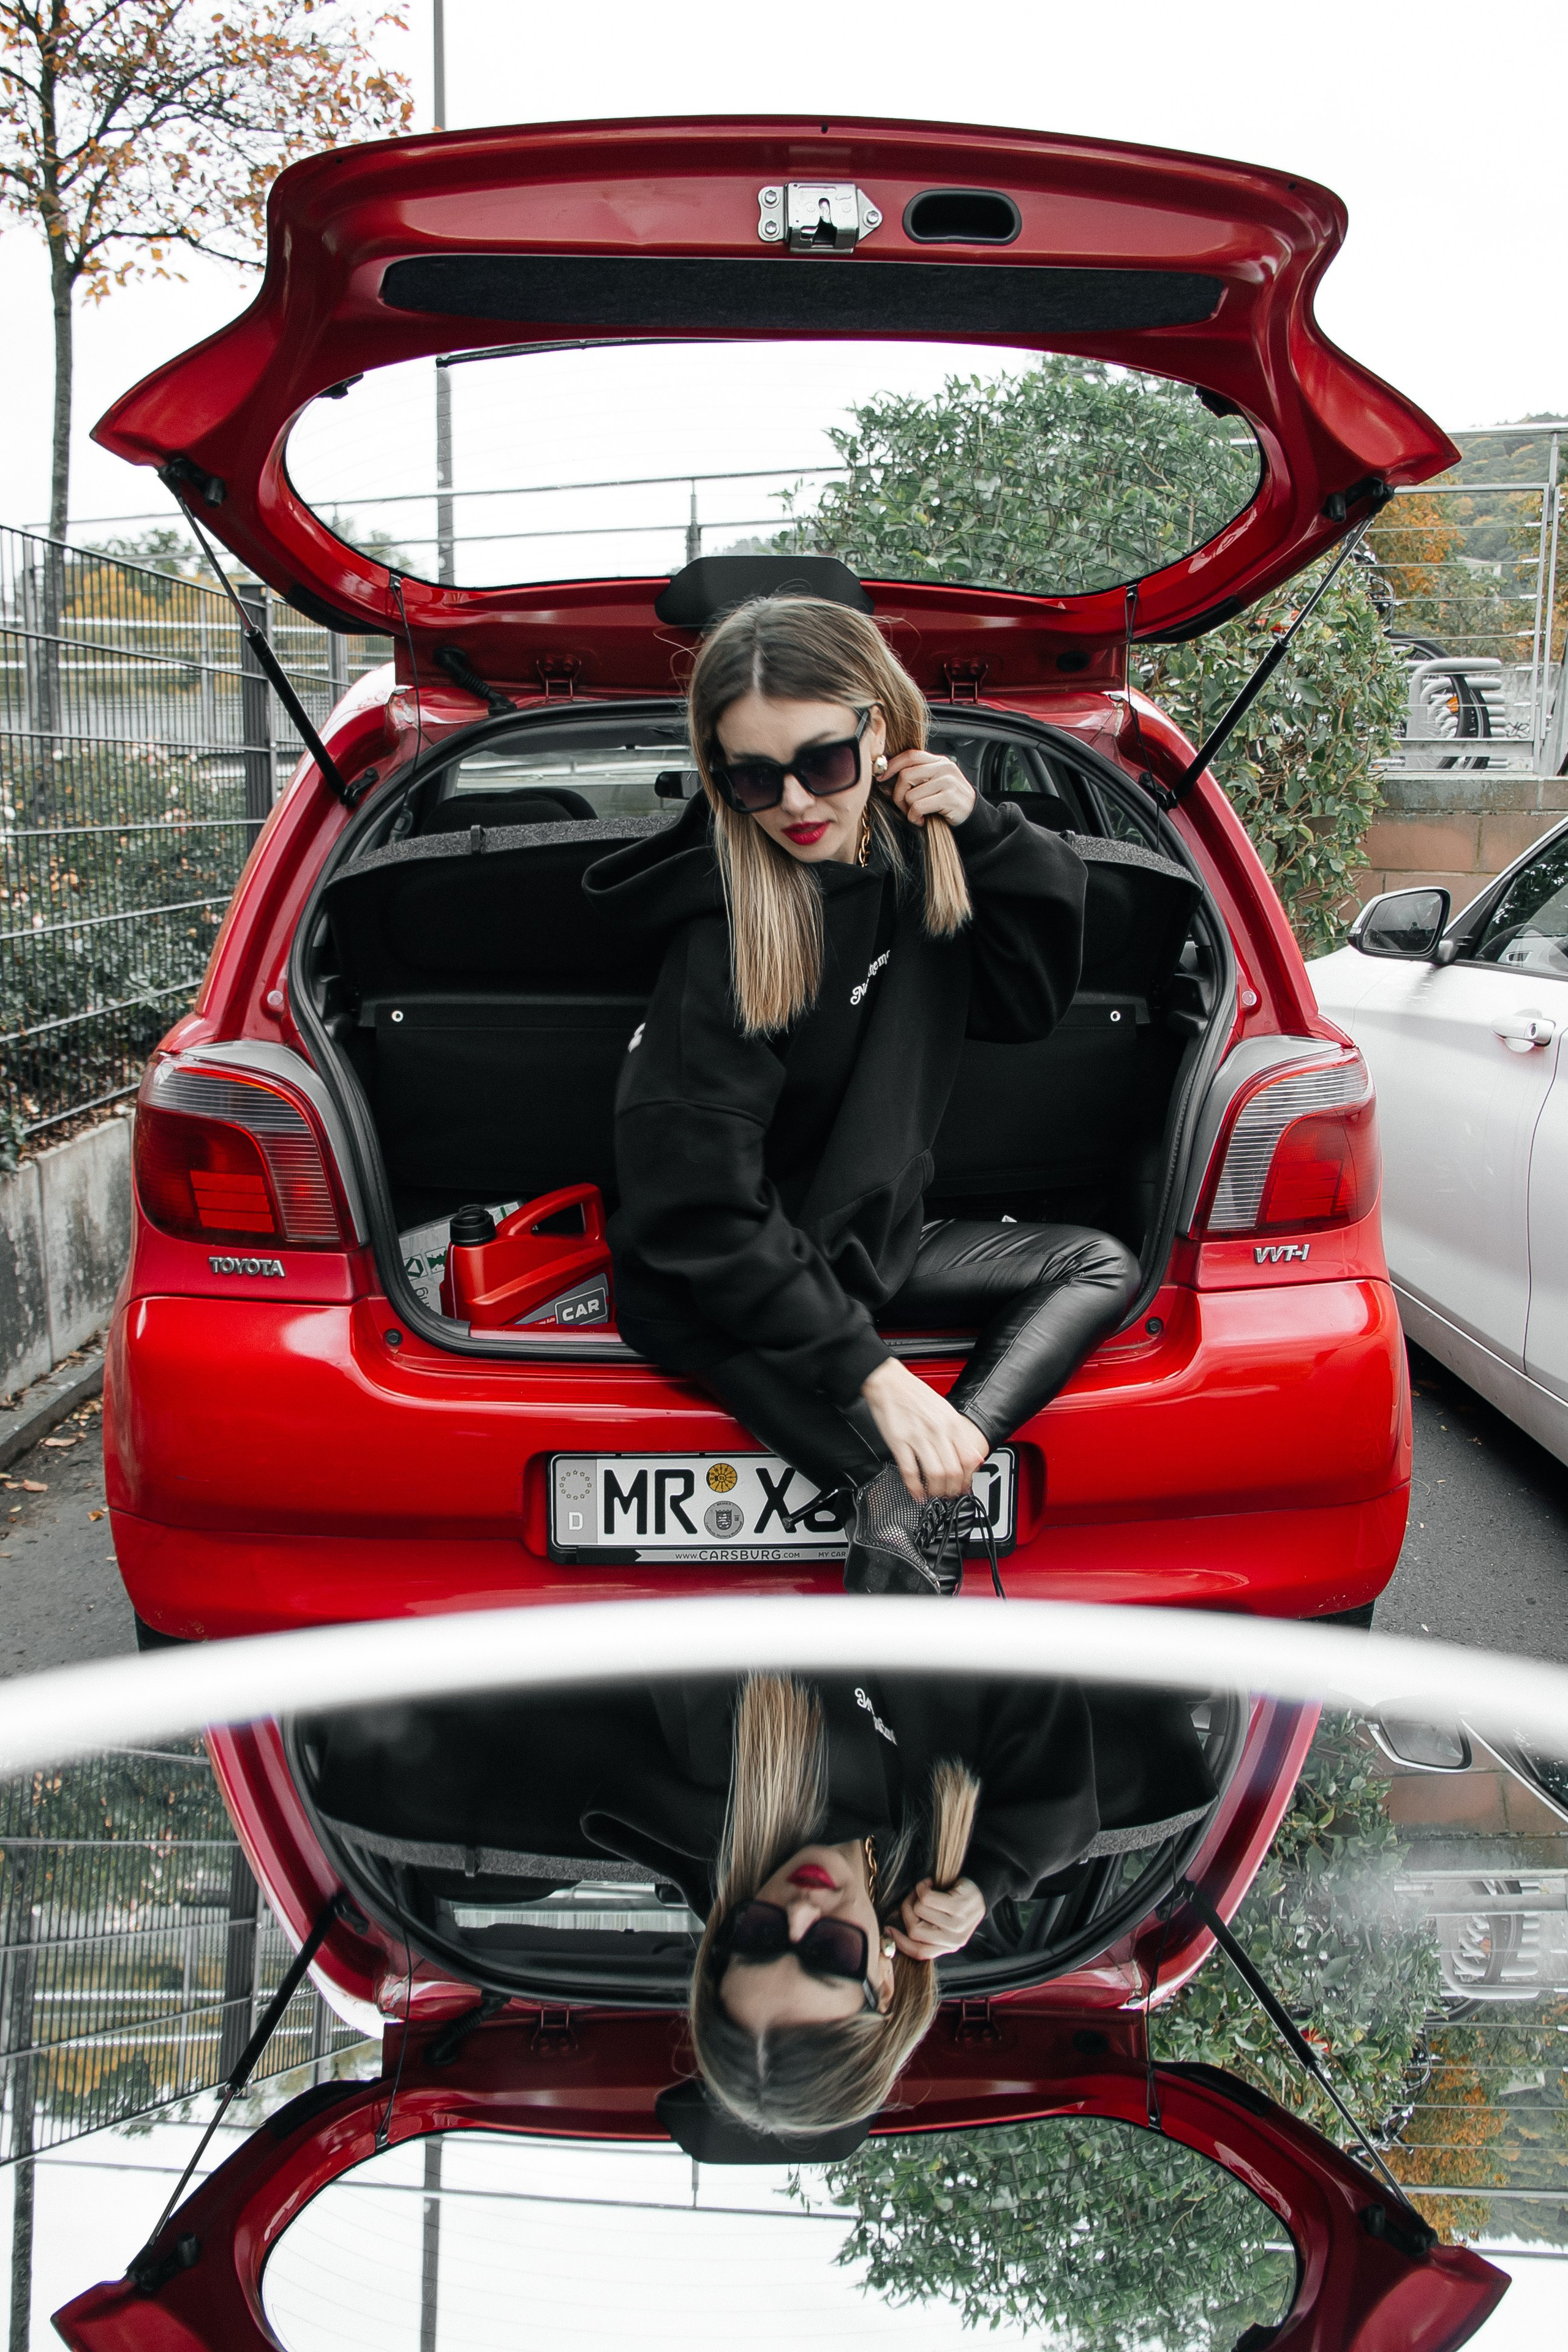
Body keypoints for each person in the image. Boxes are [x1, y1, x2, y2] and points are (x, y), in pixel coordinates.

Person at [583, 595, 1140, 1593]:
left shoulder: (922, 868)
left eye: (823, 763)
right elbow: (697, 1210)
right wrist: (874, 1379)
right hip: (727, 1291)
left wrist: (988, 829)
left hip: (865, 1245)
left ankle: (930, 1473)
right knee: (902, 1520)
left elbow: (1027, 1004)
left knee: (1098, 1266)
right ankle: (906, 1505)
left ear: (880, 729)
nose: (795, 801)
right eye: (754, 776)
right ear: (720, 777)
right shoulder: (724, 937)